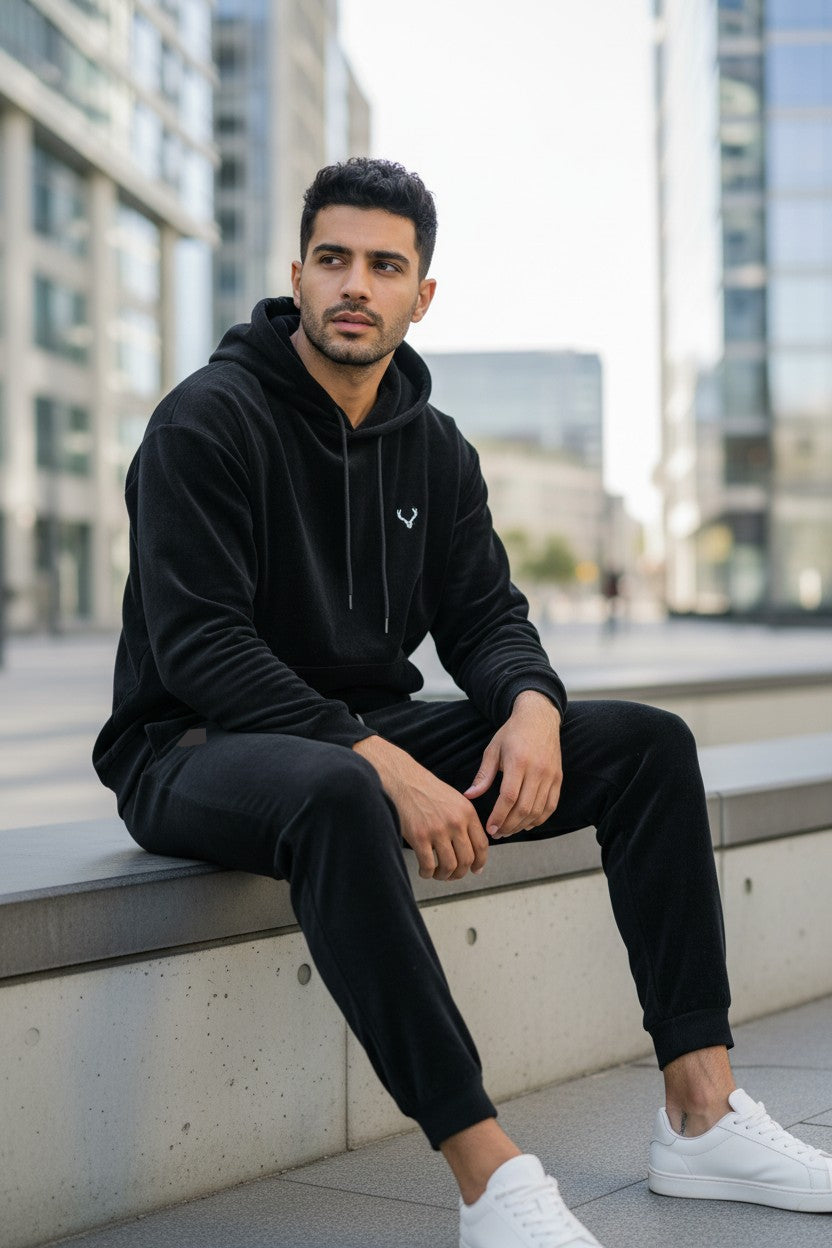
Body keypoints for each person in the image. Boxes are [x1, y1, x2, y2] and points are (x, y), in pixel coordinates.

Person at [93, 158, 832, 1248]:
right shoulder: (205, 422)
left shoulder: (433, 447)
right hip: (194, 745)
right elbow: (203, 647)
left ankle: (701, 1110)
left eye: (384, 266)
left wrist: (531, 704)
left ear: (420, 294)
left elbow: (486, 618)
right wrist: (380, 763)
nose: (356, 284)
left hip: (358, 736)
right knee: (341, 792)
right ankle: (486, 1171)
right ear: (296, 273)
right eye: (334, 260)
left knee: (644, 747)